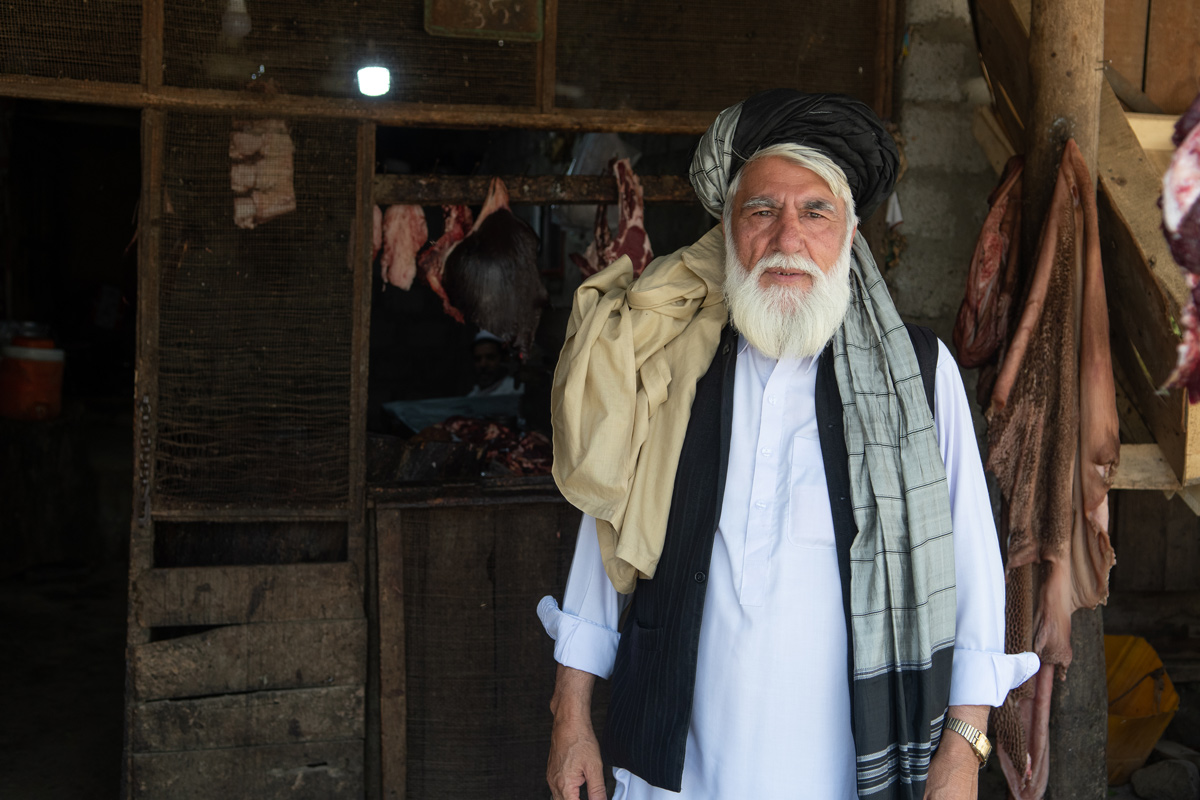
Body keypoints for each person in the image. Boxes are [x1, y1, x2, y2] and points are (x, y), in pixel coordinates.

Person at [538, 89, 1040, 800]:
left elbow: (976, 578)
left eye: (815, 212)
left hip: (849, 768)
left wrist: (963, 748)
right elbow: (607, 537)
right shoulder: (676, 361)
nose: (786, 239)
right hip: (676, 768)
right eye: (761, 211)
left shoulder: (922, 377)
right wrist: (571, 715)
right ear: (729, 230)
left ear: (851, 236)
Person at [467, 330, 522, 397]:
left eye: (490, 358)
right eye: (478, 359)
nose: (483, 364)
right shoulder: (472, 396)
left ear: (504, 359)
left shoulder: (517, 392)